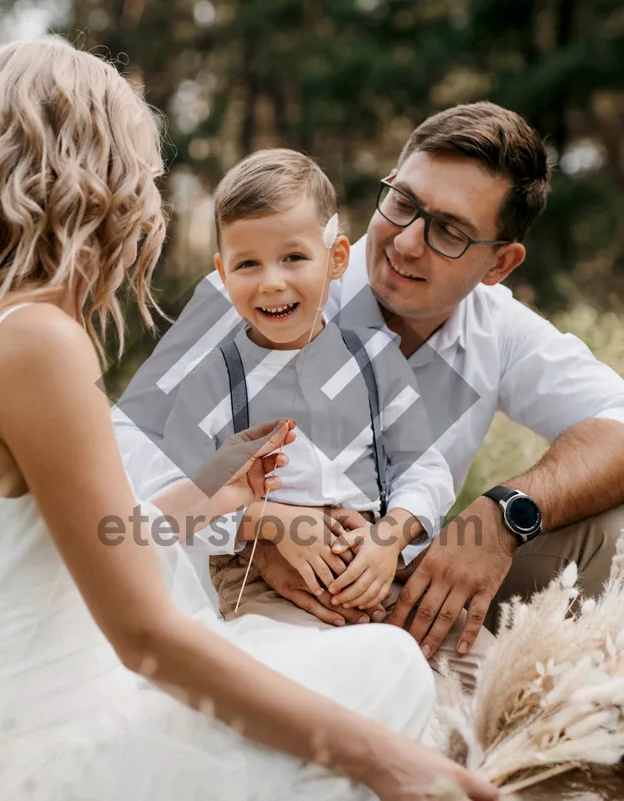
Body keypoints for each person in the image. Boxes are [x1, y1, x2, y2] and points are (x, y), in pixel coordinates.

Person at [0, 40, 497, 801]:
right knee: (387, 665)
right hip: (31, 761)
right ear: (92, 182)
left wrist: (213, 494)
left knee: (308, 656)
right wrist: (388, 760)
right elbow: (146, 639)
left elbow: (74, 551)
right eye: (139, 170)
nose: (149, 197)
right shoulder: (39, 341)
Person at [113, 102, 624, 690]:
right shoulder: (264, 283)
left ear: (500, 264)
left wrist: (497, 520)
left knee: (613, 526)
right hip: (246, 591)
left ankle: (573, 728)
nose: (407, 242)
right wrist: (255, 526)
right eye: (404, 203)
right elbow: (120, 441)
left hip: (402, 581)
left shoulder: (500, 331)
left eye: (451, 232)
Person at [152, 149, 455, 614]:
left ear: (335, 259)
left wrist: (389, 537)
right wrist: (270, 521)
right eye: (247, 264)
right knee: (307, 670)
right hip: (259, 571)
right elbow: (172, 513)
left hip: (375, 561)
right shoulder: (211, 380)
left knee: (464, 668)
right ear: (222, 274)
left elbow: (425, 469)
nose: (272, 282)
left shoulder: (376, 361)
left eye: (293, 257)